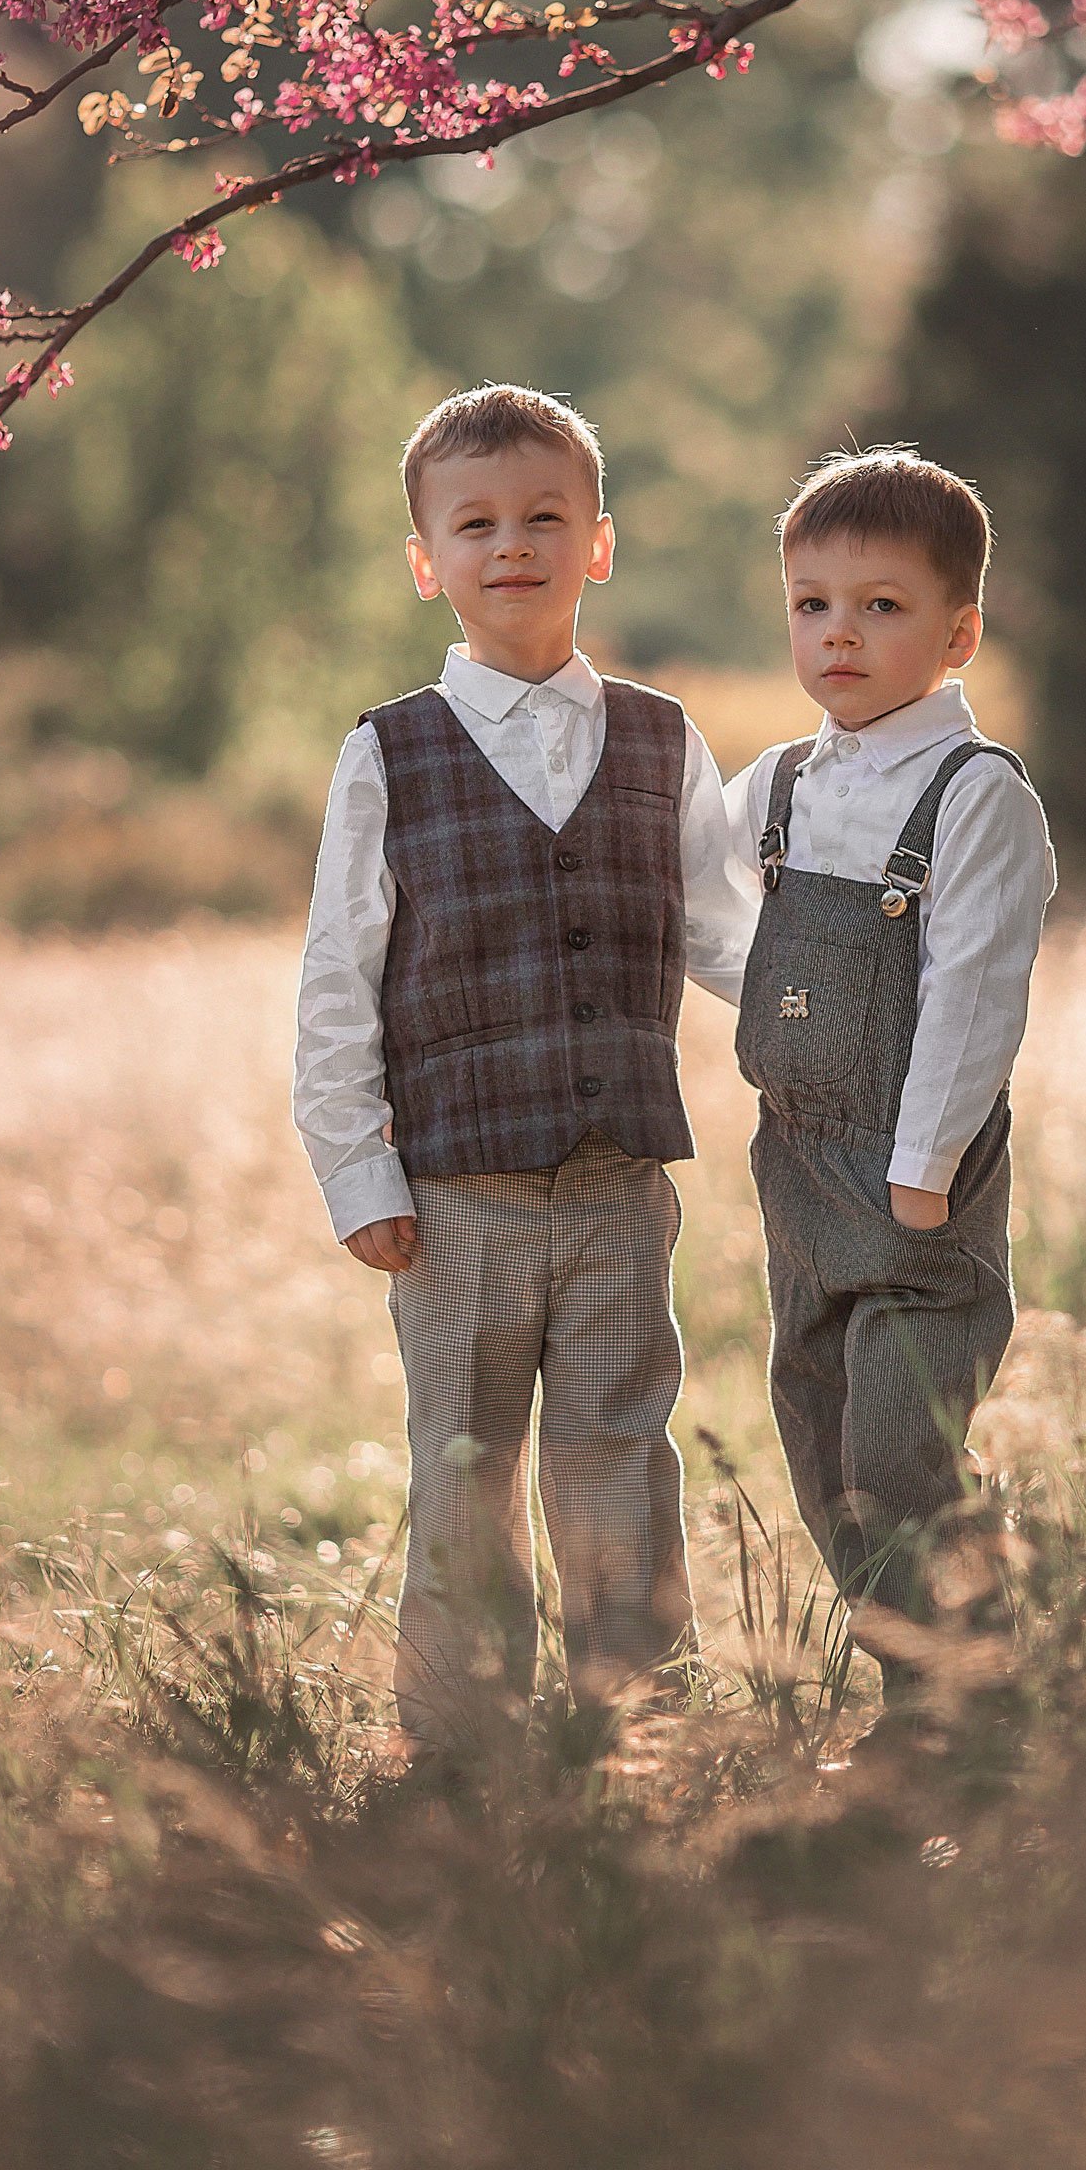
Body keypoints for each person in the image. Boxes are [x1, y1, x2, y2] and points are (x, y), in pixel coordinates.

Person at [293, 384, 756, 1749]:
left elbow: (727, 928)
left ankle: (636, 1718)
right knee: (466, 1464)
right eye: (477, 522)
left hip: (621, 1187)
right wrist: (356, 1167)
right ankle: (464, 1740)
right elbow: (339, 976)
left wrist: (834, 1020)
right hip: (455, 1195)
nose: (513, 545)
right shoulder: (388, 752)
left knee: (621, 1449)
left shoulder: (665, 738)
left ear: (597, 544)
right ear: (425, 560)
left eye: (545, 518)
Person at [728, 446, 1054, 1702]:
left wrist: (921, 1168)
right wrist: (767, 1011)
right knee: (815, 1431)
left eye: (880, 606)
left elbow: (974, 992)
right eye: (811, 604)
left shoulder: (974, 795)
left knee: (896, 1452)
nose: (838, 635)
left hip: (915, 1176)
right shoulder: (779, 783)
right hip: (798, 1161)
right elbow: (718, 927)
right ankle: (919, 1685)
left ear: (957, 631)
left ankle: (967, 1703)